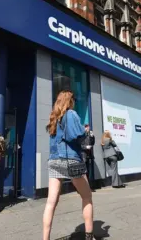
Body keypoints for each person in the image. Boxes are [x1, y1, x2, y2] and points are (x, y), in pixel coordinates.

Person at [42, 90, 93, 240]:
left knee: (51, 202)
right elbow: (76, 136)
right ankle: (89, 236)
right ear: (69, 101)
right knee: (87, 197)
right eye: (73, 100)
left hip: (54, 161)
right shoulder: (71, 114)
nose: (74, 102)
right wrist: (85, 131)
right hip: (70, 160)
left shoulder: (54, 117)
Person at [80, 124, 95, 190]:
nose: (88, 128)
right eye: (87, 127)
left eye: (88, 127)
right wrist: (85, 147)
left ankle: (89, 187)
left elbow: (92, 143)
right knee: (83, 172)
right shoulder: (81, 135)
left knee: (89, 172)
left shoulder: (89, 135)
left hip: (89, 155)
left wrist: (92, 137)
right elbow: (79, 145)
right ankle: (82, 188)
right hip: (83, 155)